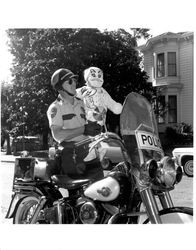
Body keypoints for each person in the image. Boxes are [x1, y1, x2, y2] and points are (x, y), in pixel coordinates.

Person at [47, 68, 104, 181]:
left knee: (100, 190)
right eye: (70, 81)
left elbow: (91, 120)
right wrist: (83, 129)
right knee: (79, 194)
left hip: (90, 153)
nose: (74, 84)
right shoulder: (55, 108)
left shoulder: (82, 103)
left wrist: (97, 120)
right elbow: (57, 135)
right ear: (59, 87)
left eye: (74, 80)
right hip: (72, 158)